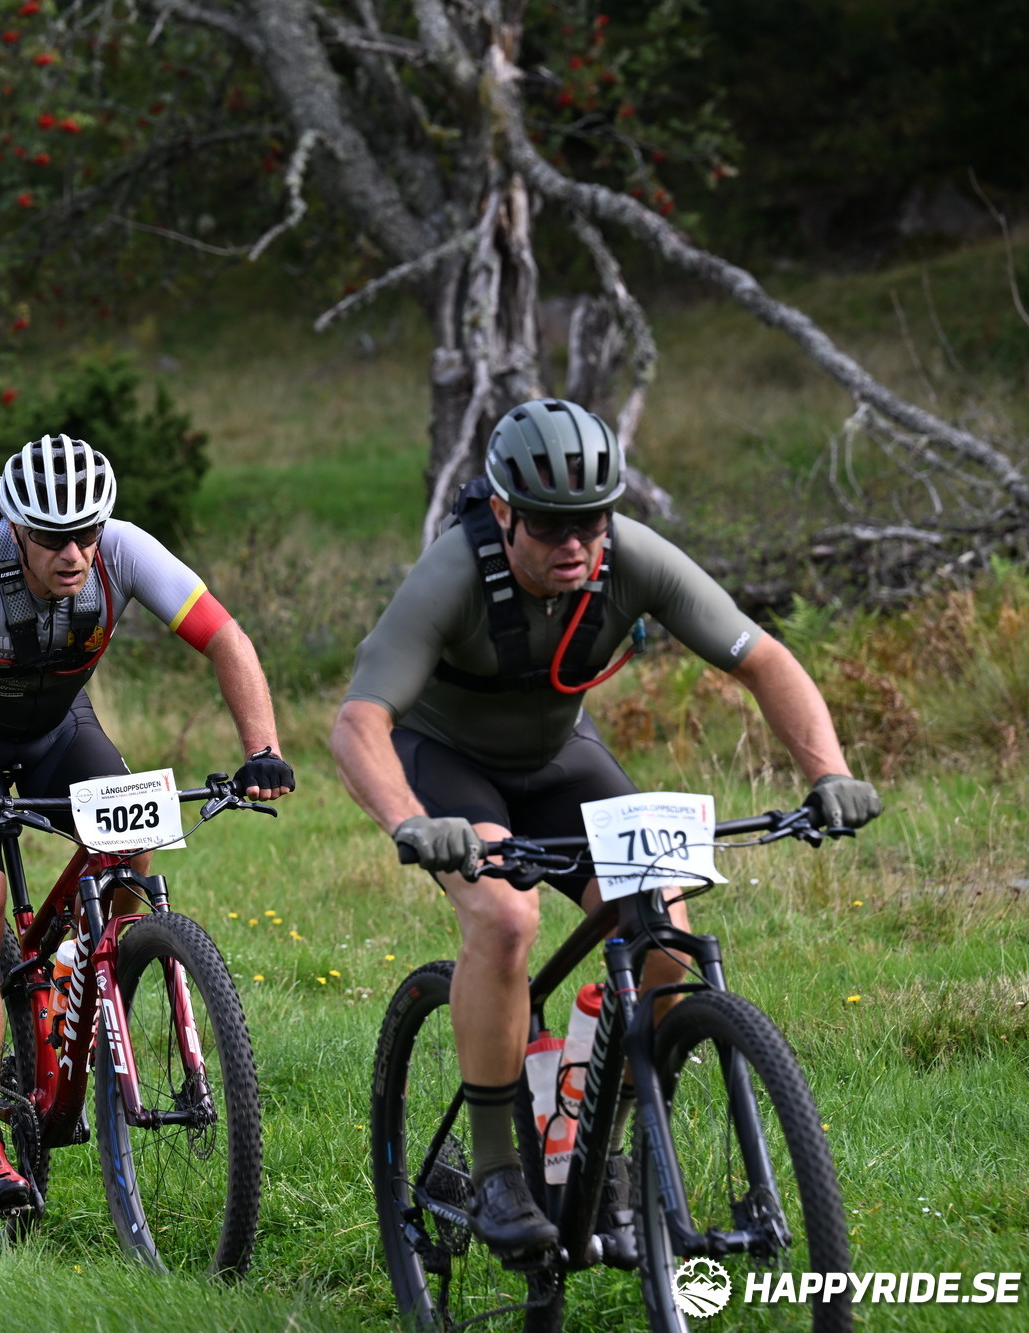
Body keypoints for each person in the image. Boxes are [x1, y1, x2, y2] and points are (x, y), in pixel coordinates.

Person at [329, 400, 879, 1264]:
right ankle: (496, 1168)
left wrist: (830, 773)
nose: (575, 542)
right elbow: (359, 720)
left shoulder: (632, 558)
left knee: (663, 937)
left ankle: (596, 1137)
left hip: (560, 760)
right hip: (447, 764)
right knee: (506, 917)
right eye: (550, 524)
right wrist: (412, 820)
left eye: (591, 520)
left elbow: (763, 658)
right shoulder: (453, 574)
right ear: (504, 512)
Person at [0, 435, 294, 1213]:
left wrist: (262, 748)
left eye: (86, 533)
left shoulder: (122, 550)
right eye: (52, 536)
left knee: (134, 844)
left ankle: (85, 986)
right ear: (17, 529)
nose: (73, 553)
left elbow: (225, 637)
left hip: (58, 730)